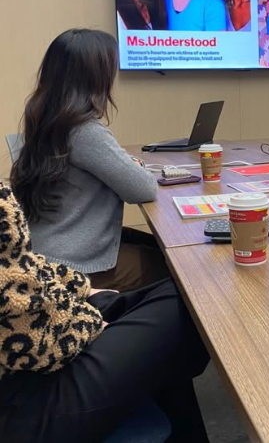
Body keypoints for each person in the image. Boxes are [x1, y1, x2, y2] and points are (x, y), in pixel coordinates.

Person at [0, 180, 210, 443]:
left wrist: (80, 290)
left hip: (41, 324)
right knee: (195, 298)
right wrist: (86, 323)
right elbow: (32, 343)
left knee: (169, 327)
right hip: (20, 396)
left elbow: (23, 263)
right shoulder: (84, 135)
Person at [10, 28, 169, 292]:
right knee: (180, 268)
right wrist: (133, 168)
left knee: (156, 246)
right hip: (74, 268)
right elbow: (143, 189)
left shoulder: (48, 120)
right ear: (94, 78)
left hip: (45, 253)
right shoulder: (84, 131)